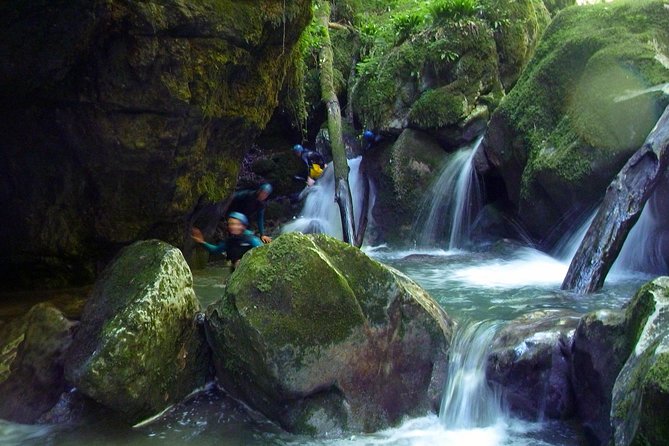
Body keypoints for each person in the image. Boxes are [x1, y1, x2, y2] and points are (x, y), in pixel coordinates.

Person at [191, 212, 263, 271]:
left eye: (237, 224)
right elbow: (216, 250)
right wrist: (202, 242)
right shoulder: (230, 241)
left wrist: (245, 262)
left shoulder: (251, 240)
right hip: (235, 273)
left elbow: (264, 253)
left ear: (243, 226)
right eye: (231, 224)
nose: (233, 227)